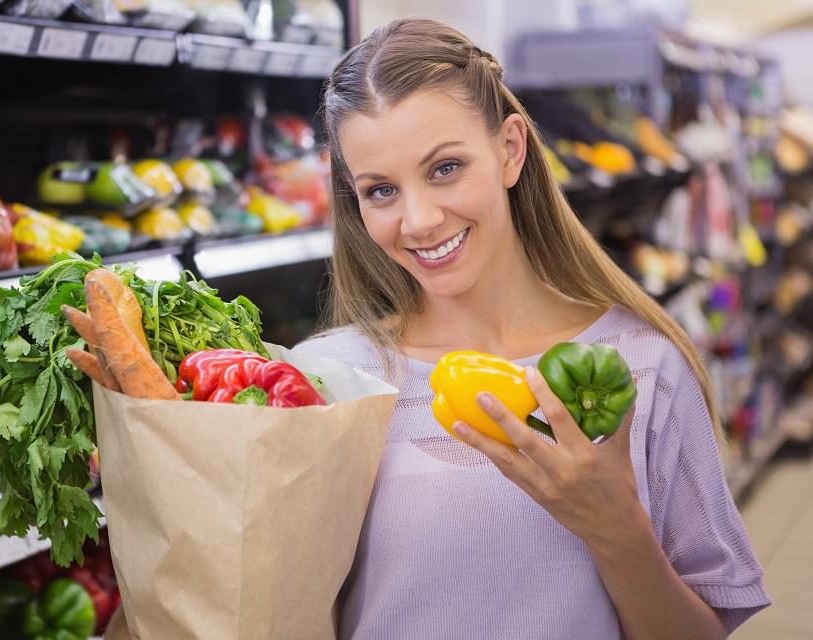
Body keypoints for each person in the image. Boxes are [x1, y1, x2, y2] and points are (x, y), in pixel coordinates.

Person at [291, 16, 772, 640]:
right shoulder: (330, 378)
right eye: (381, 190)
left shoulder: (639, 367)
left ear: (511, 149)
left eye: (444, 168)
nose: (419, 219)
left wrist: (618, 531)